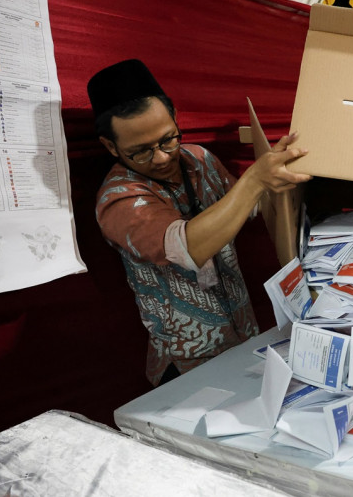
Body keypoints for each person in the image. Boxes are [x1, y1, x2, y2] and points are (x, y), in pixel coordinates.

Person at [88, 59, 311, 385]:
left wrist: (278, 176)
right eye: (141, 151)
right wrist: (254, 181)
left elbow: (246, 207)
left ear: (175, 118)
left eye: (168, 139)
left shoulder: (199, 159)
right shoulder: (118, 200)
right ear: (111, 146)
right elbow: (186, 249)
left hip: (243, 335)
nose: (162, 157)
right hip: (186, 361)